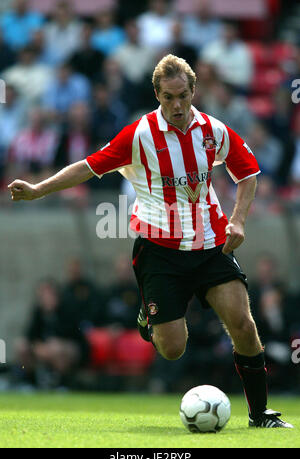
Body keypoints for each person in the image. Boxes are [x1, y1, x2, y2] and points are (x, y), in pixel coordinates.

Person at [8, 54, 293, 428]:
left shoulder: (214, 130)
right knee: (173, 349)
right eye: (167, 98)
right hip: (159, 252)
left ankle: (260, 416)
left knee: (243, 323)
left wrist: (237, 221)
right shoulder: (139, 135)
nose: (176, 106)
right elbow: (88, 165)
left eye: (182, 96)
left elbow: (249, 172)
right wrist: (39, 189)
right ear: (156, 94)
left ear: (194, 91)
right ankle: (148, 316)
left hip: (210, 245)